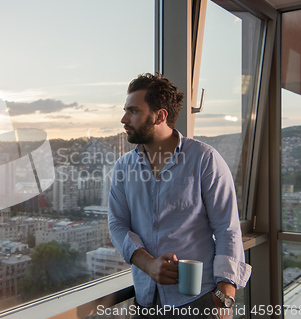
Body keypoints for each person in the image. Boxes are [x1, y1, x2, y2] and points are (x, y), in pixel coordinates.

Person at [108, 73, 251, 318]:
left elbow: (227, 228)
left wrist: (225, 296)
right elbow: (117, 225)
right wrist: (148, 265)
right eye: (125, 110)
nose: (123, 119)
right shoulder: (123, 167)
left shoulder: (205, 160)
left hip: (199, 301)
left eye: (133, 111)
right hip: (145, 301)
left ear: (160, 116)